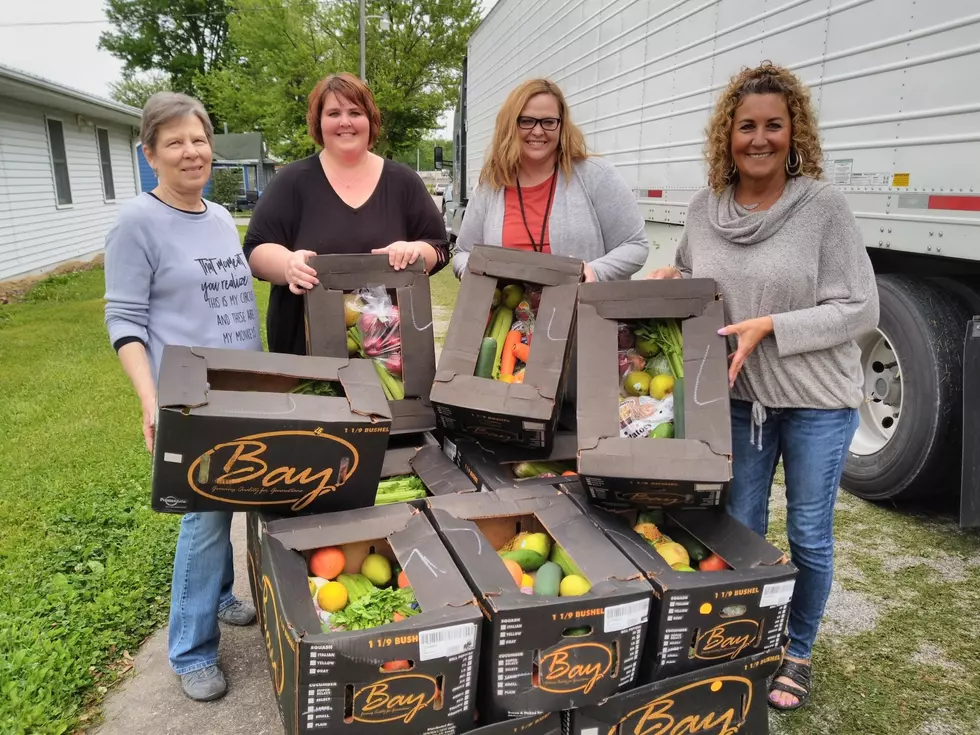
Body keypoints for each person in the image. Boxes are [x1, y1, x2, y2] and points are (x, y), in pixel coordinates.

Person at [648, 62, 879, 710]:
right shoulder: (704, 209)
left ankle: (797, 650)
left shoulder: (823, 207)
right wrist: (673, 281)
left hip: (815, 401)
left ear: (793, 129)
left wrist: (772, 325)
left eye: (773, 125)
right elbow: (698, 280)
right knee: (738, 527)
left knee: (808, 534)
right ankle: (744, 641)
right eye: (746, 126)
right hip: (740, 400)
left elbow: (862, 307)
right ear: (728, 134)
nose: (759, 138)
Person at [104, 92, 262, 702]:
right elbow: (124, 321)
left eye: (198, 139)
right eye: (174, 142)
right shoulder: (137, 223)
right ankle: (190, 650)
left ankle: (220, 594)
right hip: (190, 396)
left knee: (230, 497)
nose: (190, 151)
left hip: (240, 388)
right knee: (203, 517)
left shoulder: (221, 217)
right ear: (151, 154)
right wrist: (151, 399)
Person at [244, 73, 451, 355]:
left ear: (370, 121)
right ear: (318, 122)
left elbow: (439, 248)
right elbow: (254, 251)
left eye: (355, 112)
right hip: (305, 350)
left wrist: (415, 250)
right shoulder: (291, 182)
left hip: (388, 353)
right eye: (333, 113)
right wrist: (287, 265)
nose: (345, 122)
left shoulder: (403, 182)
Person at [452, 78, 648, 281]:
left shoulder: (596, 176)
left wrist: (595, 271)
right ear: (510, 125)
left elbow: (634, 245)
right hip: (506, 311)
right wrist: (470, 272)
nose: (538, 131)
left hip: (581, 311)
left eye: (548, 122)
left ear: (561, 125)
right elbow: (463, 252)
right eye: (526, 121)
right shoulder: (491, 184)